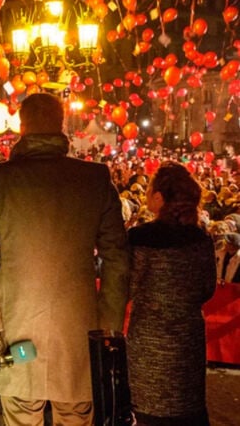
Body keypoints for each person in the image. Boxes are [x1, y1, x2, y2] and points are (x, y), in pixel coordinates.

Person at [0, 92, 129, 425]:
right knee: (76, 415)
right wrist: (107, 328)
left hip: (15, 329)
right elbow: (117, 259)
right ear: (62, 125)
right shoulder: (94, 179)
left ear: (22, 127)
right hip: (80, 331)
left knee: (21, 415)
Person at [127, 162, 216, 425]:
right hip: (188, 338)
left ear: (159, 197)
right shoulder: (200, 239)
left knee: (148, 410)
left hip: (148, 341)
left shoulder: (140, 238)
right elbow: (206, 288)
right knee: (185, 409)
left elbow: (129, 285)